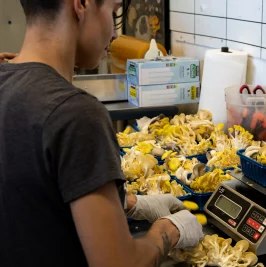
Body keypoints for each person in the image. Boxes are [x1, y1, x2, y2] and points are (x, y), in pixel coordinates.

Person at [0, 1, 203, 267]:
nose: (115, 33)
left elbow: (31, 195)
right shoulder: (76, 114)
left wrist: (128, 203)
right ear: (82, 4)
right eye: (113, 12)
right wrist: (169, 230)